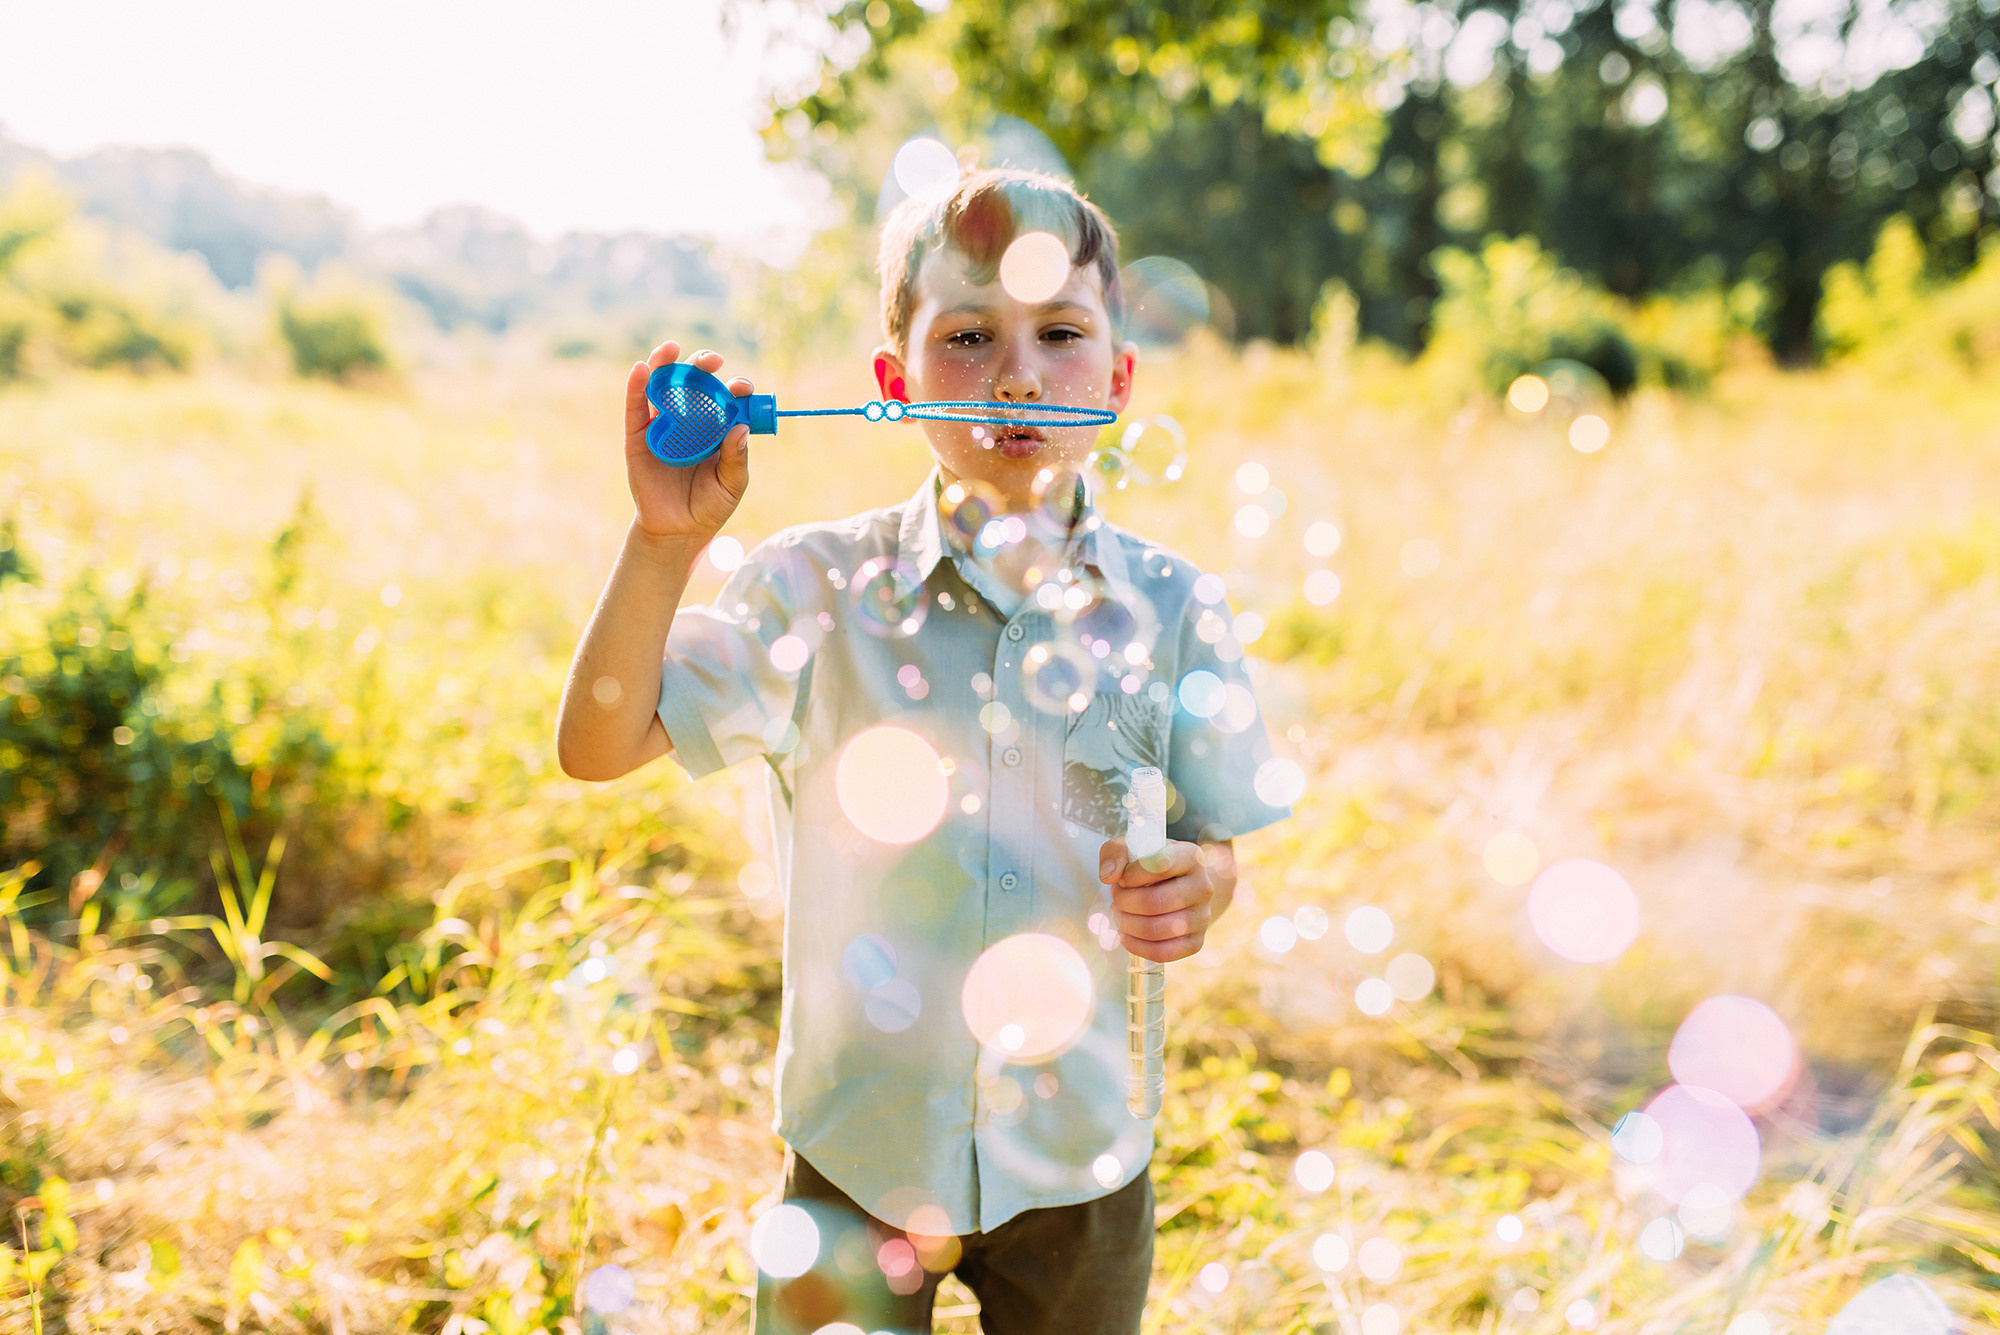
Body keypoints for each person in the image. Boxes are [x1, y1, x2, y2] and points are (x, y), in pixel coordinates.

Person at [555, 168, 1292, 1334]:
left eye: (1059, 332)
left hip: (1080, 1161)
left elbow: (1214, 843)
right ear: (893, 384)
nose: (1016, 373)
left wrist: (1203, 885)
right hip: (858, 1151)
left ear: (1115, 378)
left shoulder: (1174, 604)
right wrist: (660, 544)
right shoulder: (812, 589)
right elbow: (596, 747)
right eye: (967, 336)